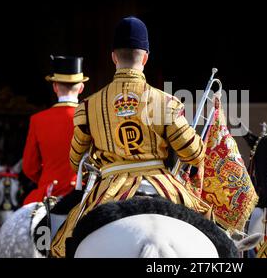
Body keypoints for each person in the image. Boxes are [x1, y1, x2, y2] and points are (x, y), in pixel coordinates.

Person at [51, 16, 211, 257]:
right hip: (163, 185)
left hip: (108, 189)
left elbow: (76, 160)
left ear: (114, 57)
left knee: (62, 245)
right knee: (212, 231)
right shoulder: (165, 102)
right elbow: (193, 154)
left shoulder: (89, 106)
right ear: (145, 57)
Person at [22, 56, 89, 205]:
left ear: (54, 87)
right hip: (84, 195)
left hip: (48, 192)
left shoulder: (37, 119)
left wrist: (49, 178)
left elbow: (29, 167)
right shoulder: (91, 117)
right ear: (81, 88)